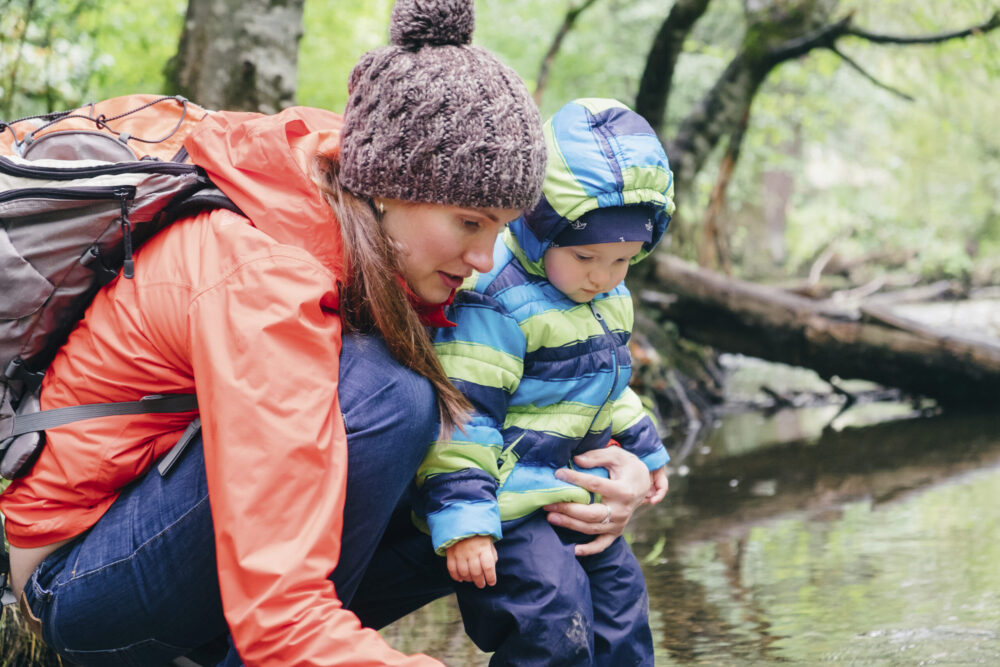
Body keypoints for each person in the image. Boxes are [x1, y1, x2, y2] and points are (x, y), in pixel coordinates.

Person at [413, 97, 676, 666]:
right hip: (508, 500)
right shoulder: (499, 303)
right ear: (541, 228)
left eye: (624, 260)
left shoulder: (605, 296)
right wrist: (464, 518)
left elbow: (604, 384)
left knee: (621, 606)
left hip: (568, 485)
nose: (602, 277)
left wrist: (645, 448)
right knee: (551, 619)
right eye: (586, 257)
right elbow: (463, 411)